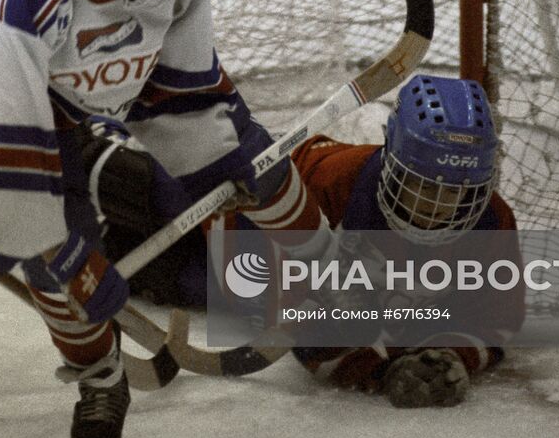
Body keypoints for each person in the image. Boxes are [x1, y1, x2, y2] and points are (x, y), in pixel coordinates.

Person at [0, 0, 331, 438]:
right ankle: (101, 376)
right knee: (58, 271)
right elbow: (5, 175)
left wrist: (223, 155)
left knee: (260, 168)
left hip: (115, 72)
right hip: (32, 109)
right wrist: (65, 254)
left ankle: (336, 274)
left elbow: (186, 90)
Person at [94, 73, 523, 409]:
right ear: (390, 159)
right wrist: (370, 361)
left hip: (244, 277)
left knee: (161, 271)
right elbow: (300, 330)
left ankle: (94, 242)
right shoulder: (337, 183)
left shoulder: (493, 221)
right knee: (154, 187)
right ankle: (84, 139)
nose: (440, 205)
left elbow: (497, 319)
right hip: (251, 214)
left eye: (456, 190)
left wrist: (450, 357)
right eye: (424, 186)